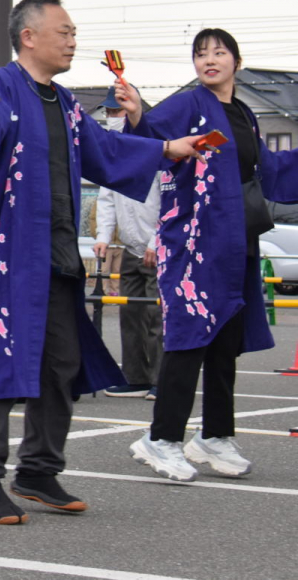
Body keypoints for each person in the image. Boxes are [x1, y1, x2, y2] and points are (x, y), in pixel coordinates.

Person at [0, 0, 200, 525]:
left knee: (59, 367)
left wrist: (166, 147)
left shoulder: (64, 103)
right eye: (63, 31)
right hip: (8, 256)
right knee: (3, 362)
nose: (72, 40)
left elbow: (106, 154)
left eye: (72, 32)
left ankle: (39, 469)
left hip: (60, 254)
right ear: (29, 36)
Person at [126, 28, 298, 482]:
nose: (209, 60)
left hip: (236, 239)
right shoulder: (189, 105)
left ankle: (214, 436)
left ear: (236, 62)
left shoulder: (244, 113)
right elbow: (148, 139)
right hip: (194, 241)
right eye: (200, 54)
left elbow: (270, 168)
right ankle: (160, 439)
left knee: (225, 341)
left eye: (219, 52)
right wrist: (137, 113)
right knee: (189, 337)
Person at [92, 88, 162, 399]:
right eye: (108, 113)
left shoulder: (155, 146)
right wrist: (103, 237)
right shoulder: (114, 153)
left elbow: (172, 199)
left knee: (159, 317)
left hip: (160, 246)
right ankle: (137, 377)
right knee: (131, 314)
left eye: (117, 112)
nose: (111, 118)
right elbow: (106, 198)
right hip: (133, 246)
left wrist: (157, 240)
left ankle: (164, 379)